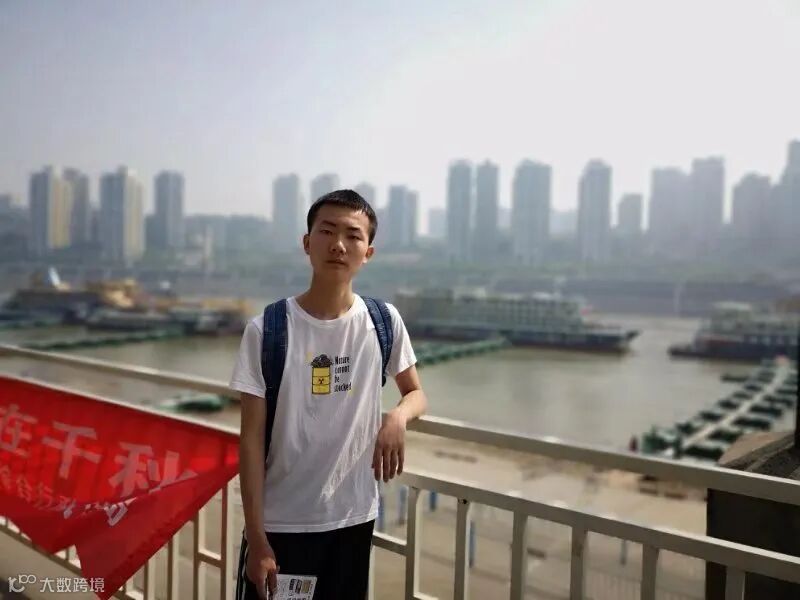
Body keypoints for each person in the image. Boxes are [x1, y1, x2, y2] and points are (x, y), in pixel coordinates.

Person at [230, 189, 427, 599]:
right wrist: (258, 537)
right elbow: (250, 440)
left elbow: (416, 393)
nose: (338, 244)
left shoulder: (383, 321)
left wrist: (397, 417)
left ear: (367, 253)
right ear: (307, 243)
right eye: (327, 231)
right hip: (282, 525)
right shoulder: (267, 330)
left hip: (353, 519)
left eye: (353, 235)